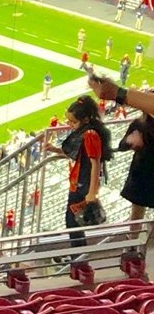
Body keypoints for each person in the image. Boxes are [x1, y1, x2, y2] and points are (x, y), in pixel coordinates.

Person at [44, 94, 112, 249]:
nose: (70, 125)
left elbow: (95, 164)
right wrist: (55, 149)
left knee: (73, 223)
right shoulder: (85, 132)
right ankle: (79, 255)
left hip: (82, 185)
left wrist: (92, 193)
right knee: (74, 223)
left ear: (85, 120)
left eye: (73, 122)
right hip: (78, 183)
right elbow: (79, 154)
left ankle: (78, 256)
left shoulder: (89, 135)